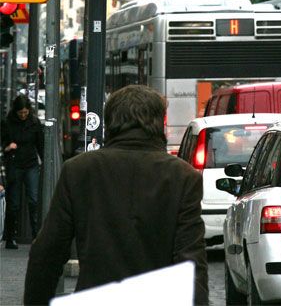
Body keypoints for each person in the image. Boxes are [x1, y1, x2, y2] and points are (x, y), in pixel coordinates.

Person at [24, 85, 209, 305]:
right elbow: (191, 262)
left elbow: (47, 253)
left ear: (110, 122)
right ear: (159, 124)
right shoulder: (182, 176)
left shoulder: (79, 170)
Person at [1, 95, 44, 250]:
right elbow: (3, 144)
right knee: (14, 203)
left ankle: (36, 236)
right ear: (16, 111)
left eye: (25, 112)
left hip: (30, 163)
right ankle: (10, 237)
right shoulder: (7, 123)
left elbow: (40, 144)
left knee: (33, 200)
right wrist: (7, 147)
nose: (23, 115)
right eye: (21, 113)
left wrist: (44, 159)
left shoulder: (34, 123)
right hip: (15, 164)